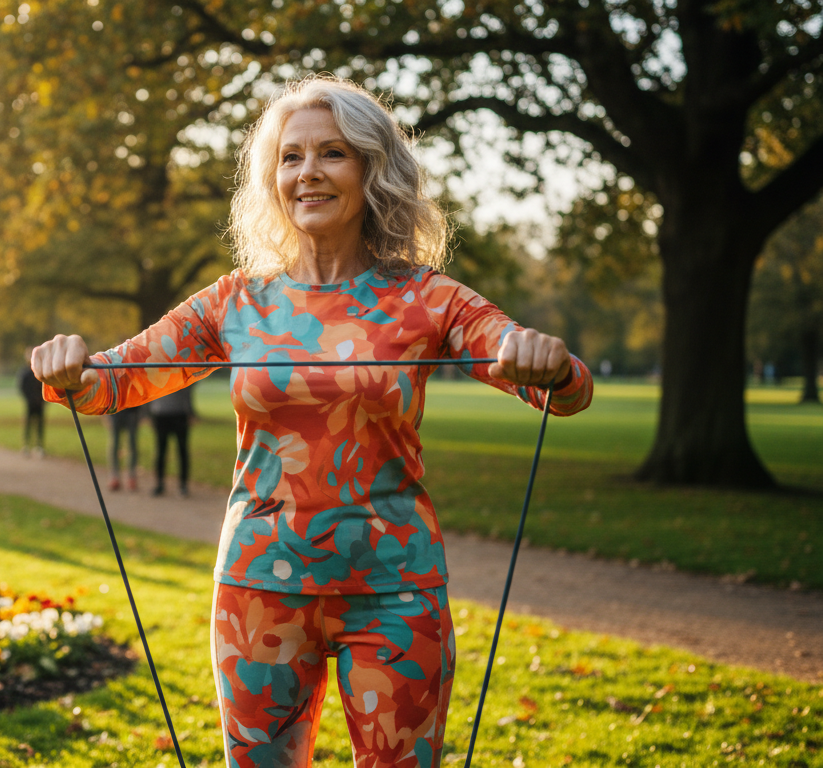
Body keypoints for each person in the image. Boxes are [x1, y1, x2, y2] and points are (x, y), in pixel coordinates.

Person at [30, 76, 593, 768]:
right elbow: (111, 381)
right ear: (273, 178)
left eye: (332, 153)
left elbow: (562, 392)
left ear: (370, 167)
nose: (308, 173)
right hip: (259, 590)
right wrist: (69, 370)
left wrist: (551, 366)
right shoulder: (236, 302)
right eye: (291, 157)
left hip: (394, 588)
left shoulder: (425, 297)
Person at [148, 383, 194, 497]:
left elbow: (188, 390)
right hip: (161, 413)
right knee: (161, 450)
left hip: (179, 413)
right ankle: (160, 483)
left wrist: (190, 411)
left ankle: (183, 484)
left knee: (182, 450)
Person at [105, 404, 143, 491]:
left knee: (132, 445)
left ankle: (132, 476)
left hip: (132, 411)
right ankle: (114, 476)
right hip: (114, 411)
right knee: (115, 445)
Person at [17, 348, 47, 457]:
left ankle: (39, 446)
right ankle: (26, 446)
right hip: (30, 403)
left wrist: (44, 401)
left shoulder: (41, 371)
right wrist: (29, 398)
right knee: (28, 425)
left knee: (40, 426)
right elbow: (22, 388)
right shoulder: (25, 372)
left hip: (40, 403)